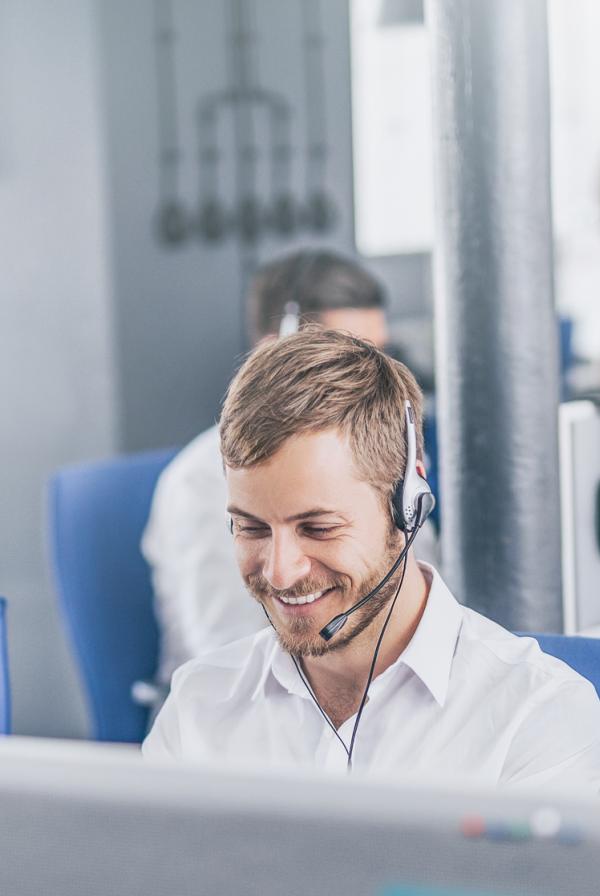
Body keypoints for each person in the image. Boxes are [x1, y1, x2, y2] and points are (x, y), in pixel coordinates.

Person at [143, 328, 600, 791]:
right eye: (252, 528)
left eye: (318, 528)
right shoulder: (198, 708)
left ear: (408, 503)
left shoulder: (536, 720)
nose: (280, 571)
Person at [141, 250, 439, 687]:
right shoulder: (202, 481)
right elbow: (229, 656)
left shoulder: (389, 449)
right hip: (242, 721)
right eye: (342, 357)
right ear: (273, 350)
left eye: (380, 356)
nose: (371, 379)